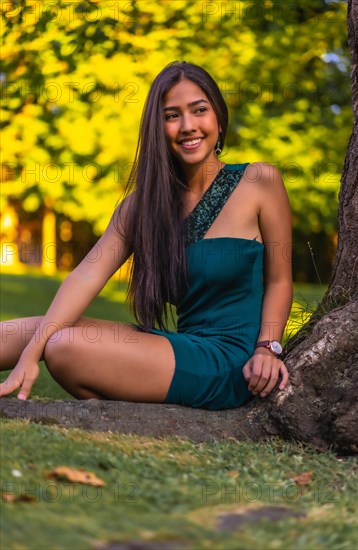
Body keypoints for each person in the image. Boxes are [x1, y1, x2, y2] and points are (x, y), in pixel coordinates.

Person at [0, 61, 293, 410]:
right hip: (177, 347)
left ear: (218, 114)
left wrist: (268, 347)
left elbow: (279, 280)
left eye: (199, 110)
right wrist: (31, 351)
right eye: (172, 116)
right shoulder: (143, 207)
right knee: (39, 327)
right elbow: (87, 274)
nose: (188, 126)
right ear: (158, 127)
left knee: (62, 344)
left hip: (231, 362)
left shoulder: (260, 181)